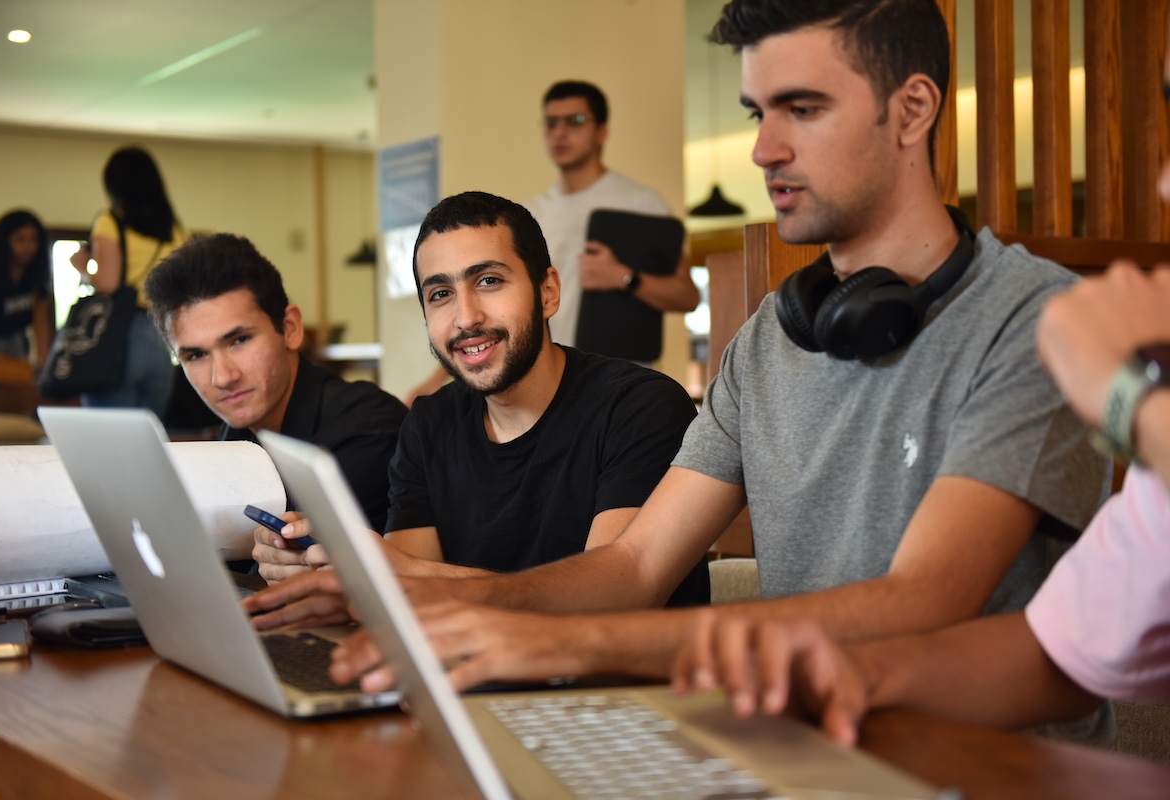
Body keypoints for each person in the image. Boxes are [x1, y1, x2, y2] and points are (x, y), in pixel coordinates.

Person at [259, 0, 1111, 742]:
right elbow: (631, 570)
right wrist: (404, 595)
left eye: (802, 109)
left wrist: (555, 642)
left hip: (985, 765)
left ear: (913, 108)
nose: (764, 150)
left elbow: (922, 602)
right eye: (755, 114)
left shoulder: (1038, 322)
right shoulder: (767, 345)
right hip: (805, 749)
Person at [665, 264, 1170, 746]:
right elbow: (1066, 654)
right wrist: (848, 677)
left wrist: (1128, 394)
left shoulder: (1024, 313)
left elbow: (931, 597)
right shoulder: (762, 339)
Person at [250, 191, 709, 604]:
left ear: (548, 292)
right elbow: (412, 599)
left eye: (488, 281)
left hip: (621, 693)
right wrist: (320, 573)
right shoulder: (429, 425)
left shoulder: (640, 409)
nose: (465, 317)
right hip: (475, 684)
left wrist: (399, 573)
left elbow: (611, 601)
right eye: (441, 294)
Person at [404, 80, 701, 403]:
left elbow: (687, 295)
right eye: (551, 123)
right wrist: (436, 381)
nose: (560, 133)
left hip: (617, 381)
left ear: (602, 131)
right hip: (550, 385)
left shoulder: (641, 202)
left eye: (574, 122)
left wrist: (622, 277)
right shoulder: (531, 214)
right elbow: (488, 314)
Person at [143, 233, 408, 564]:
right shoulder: (240, 431)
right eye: (196, 355)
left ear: (291, 328)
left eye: (239, 340)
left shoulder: (367, 430)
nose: (222, 377)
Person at [69, 146, 188, 417]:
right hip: (161, 339)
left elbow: (108, 283)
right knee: (148, 436)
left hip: (119, 337)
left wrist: (82, 268)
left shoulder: (110, 221)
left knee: (109, 438)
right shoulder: (174, 228)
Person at [0, 209, 53, 384]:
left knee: (19, 391)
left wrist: (46, 365)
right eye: (20, 239)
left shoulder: (36, 278)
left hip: (14, 341)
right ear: (5, 241)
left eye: (33, 239)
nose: (28, 246)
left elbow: (40, 322)